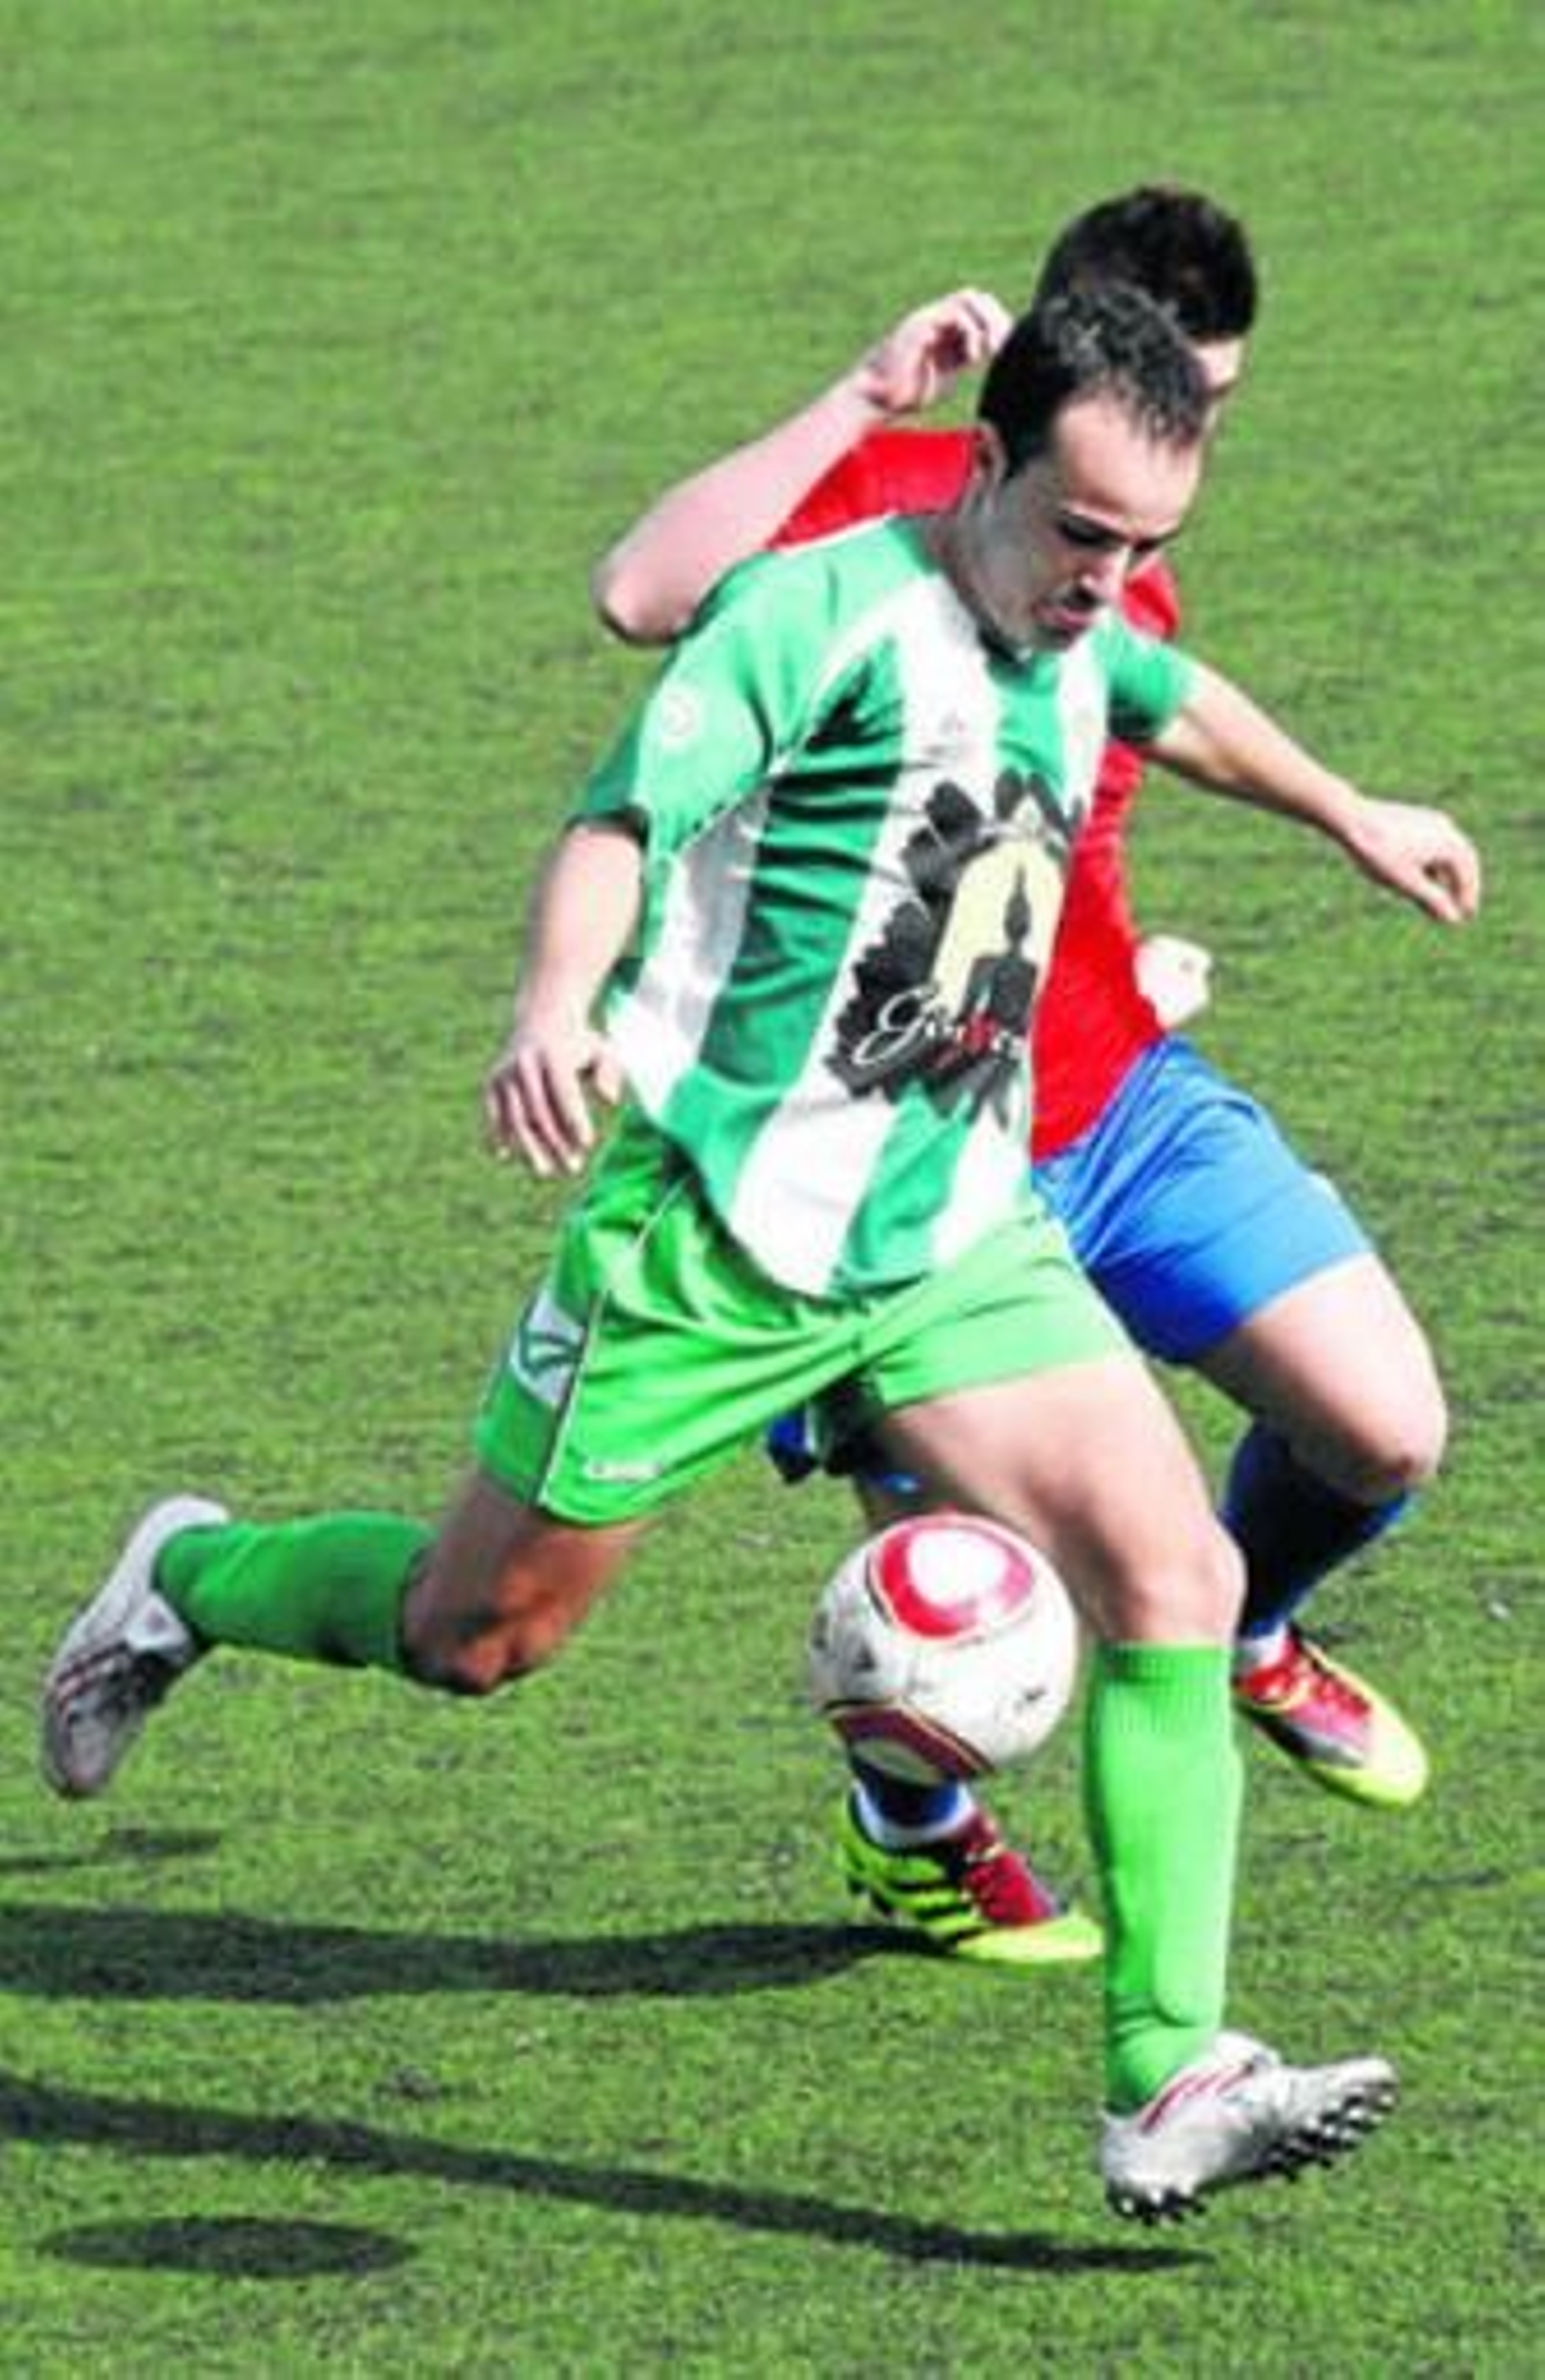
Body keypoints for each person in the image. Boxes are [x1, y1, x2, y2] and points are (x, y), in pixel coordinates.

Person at [42, 287, 1475, 2221]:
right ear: (983, 465)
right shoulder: (818, 619)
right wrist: (553, 1008)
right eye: (1080, 533)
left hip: (951, 1233)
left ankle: (1167, 2071)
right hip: (718, 1240)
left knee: (1174, 1568)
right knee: (477, 1637)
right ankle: (187, 1577)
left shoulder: (1081, 626)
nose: (1108, 581)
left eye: (1147, 546)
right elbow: (620, 820)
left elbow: (1168, 695)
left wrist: (1348, 812)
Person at [591, 186, 1447, 1972]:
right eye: (1173, 400)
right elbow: (644, 597)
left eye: (1217, 411)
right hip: (888, 1164)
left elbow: (1157, 713)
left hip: (1116, 1099)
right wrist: (855, 396)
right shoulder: (905, 519)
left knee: (1380, 1430)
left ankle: (1245, 1621)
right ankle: (914, 1828)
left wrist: (1346, 814)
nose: (1190, 449)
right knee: (969, 1615)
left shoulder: (1114, 559)